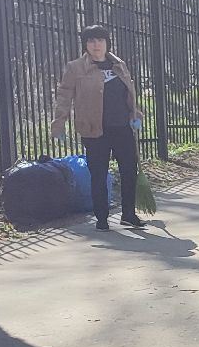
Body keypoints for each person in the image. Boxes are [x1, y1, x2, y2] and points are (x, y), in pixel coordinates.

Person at [52, 25, 145, 231]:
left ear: (107, 43)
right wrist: (60, 122)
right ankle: (101, 217)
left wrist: (135, 114)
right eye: (91, 41)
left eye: (100, 40)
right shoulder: (75, 68)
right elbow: (64, 96)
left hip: (122, 127)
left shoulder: (118, 64)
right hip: (94, 130)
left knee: (130, 170)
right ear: (85, 45)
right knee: (99, 173)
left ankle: (128, 214)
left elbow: (130, 92)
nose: (96, 45)